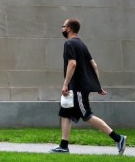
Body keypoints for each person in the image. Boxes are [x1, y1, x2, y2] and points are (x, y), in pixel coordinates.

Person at [50, 18, 126, 155]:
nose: (62, 28)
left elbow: (72, 64)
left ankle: (118, 138)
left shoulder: (69, 44)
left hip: (77, 87)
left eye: (63, 26)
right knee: (65, 113)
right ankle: (63, 145)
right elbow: (94, 65)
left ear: (69, 29)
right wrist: (98, 86)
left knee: (87, 115)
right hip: (77, 88)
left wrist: (65, 83)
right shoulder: (81, 44)